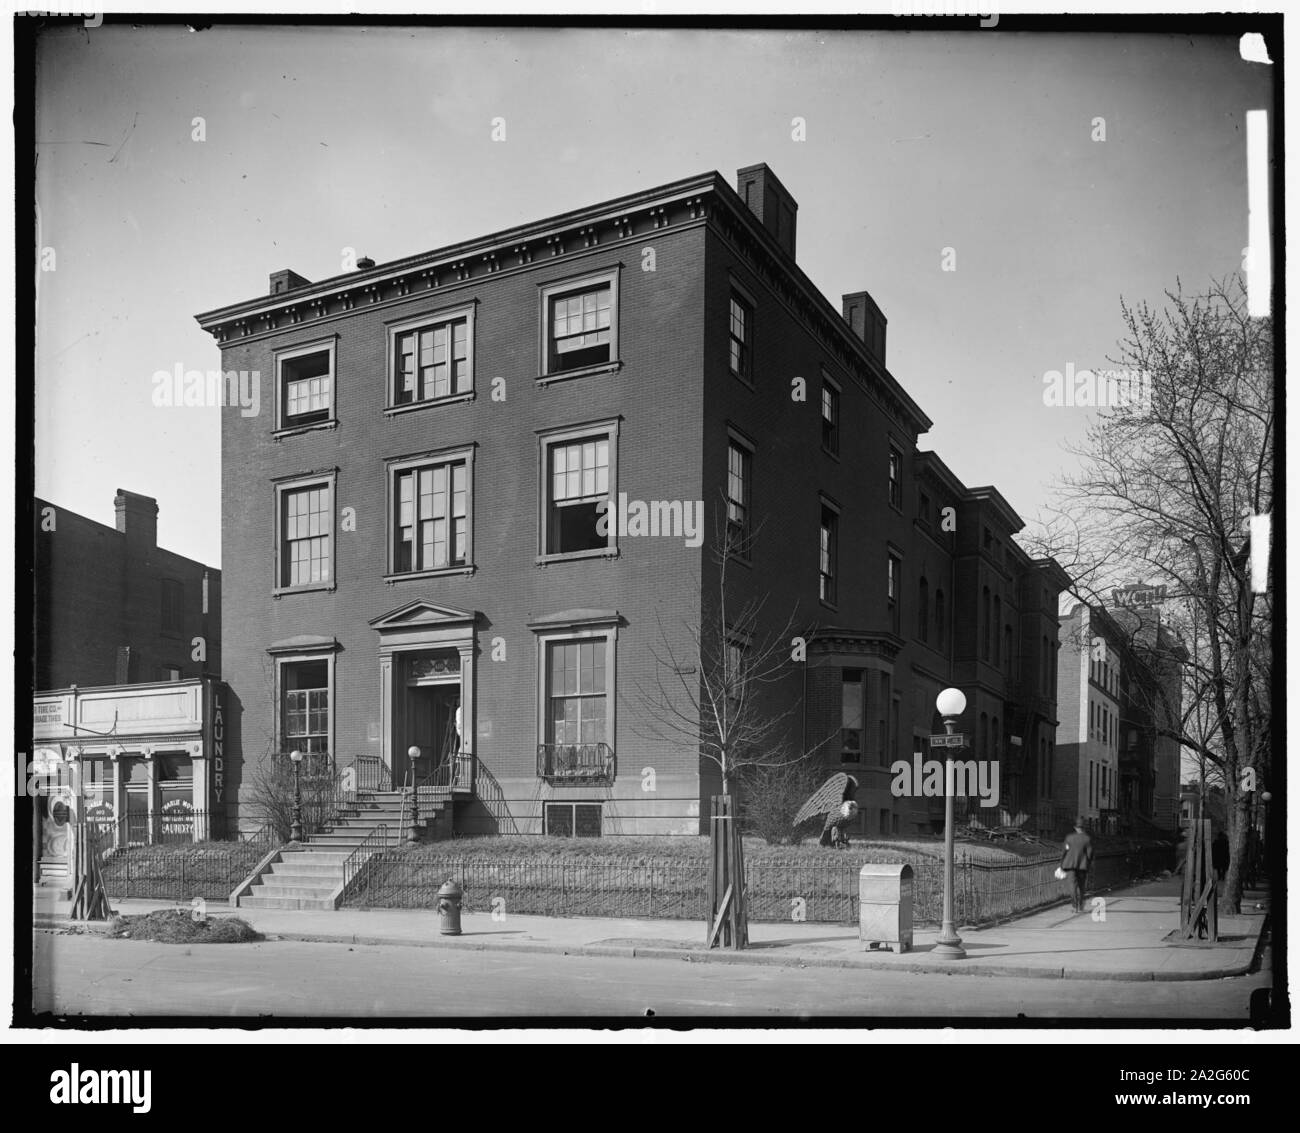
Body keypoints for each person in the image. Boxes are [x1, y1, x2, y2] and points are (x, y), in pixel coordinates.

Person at [1060, 817, 1095, 914]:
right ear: (1083, 827)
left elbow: (1064, 851)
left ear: (1075, 827)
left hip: (1070, 865)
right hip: (1082, 866)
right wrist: (1089, 863)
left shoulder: (1069, 838)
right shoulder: (1087, 839)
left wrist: (1062, 863)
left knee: (1072, 885)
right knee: (1081, 886)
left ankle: (1074, 906)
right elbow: (1089, 853)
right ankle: (1081, 905)